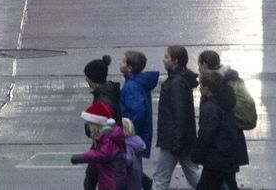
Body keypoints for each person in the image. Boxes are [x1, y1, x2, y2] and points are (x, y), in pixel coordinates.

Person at [152, 46, 200, 190]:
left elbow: (179, 114)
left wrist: (176, 142)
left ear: (175, 61)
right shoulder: (180, 81)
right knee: (194, 175)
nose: (163, 59)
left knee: (160, 178)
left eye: (166, 57)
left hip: (173, 140)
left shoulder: (175, 83)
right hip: (182, 139)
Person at [196, 52, 250, 172]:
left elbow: (209, 122)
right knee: (227, 181)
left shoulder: (212, 86)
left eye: (199, 65)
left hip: (218, 148)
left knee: (214, 181)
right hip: (230, 141)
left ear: (204, 65)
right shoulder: (225, 81)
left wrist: (199, 150)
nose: (198, 68)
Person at [190, 71, 244, 190]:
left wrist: (196, 154)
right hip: (228, 154)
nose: (199, 88)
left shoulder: (210, 107)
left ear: (207, 88)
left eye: (201, 86)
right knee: (230, 184)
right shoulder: (225, 102)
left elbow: (206, 134)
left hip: (216, 158)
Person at [119, 51, 159, 190]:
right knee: (134, 169)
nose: (120, 63)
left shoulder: (132, 86)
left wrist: (128, 130)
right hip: (137, 134)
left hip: (131, 135)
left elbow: (138, 109)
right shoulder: (136, 82)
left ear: (129, 68)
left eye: (123, 62)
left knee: (131, 170)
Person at [84, 55, 123, 190]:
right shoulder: (107, 92)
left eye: (87, 77)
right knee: (92, 177)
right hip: (106, 144)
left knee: (92, 178)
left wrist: (90, 128)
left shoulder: (103, 99)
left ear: (92, 79)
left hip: (104, 145)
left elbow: (102, 123)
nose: (86, 79)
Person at [71, 101, 128, 190]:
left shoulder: (107, 137)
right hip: (112, 181)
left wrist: (81, 157)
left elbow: (101, 154)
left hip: (111, 184)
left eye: (89, 124)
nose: (87, 127)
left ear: (95, 126)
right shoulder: (108, 136)